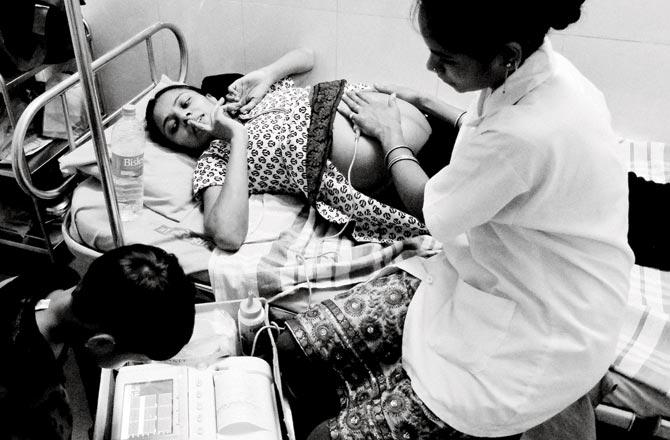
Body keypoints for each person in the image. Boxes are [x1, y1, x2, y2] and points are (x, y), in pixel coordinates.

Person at [269, 1, 634, 439]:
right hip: (511, 271)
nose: (430, 65)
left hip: (541, 327)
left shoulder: (522, 134)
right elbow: (488, 134)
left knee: (323, 435)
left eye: (445, 59)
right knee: (288, 346)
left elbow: (430, 207)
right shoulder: (550, 76)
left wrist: (391, 137)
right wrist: (427, 103)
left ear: (507, 56)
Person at [145, 48, 464, 250]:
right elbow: (227, 234)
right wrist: (235, 136)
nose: (184, 117)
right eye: (173, 127)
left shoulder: (245, 97)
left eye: (184, 103)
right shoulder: (214, 161)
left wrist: (268, 73)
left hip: (438, 128)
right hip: (409, 180)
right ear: (177, 146)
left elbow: (307, 56)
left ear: (206, 96)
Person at [0, 244, 196, 440]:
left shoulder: (61, 278)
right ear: (101, 343)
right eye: (135, 358)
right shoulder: (31, 381)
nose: (138, 364)